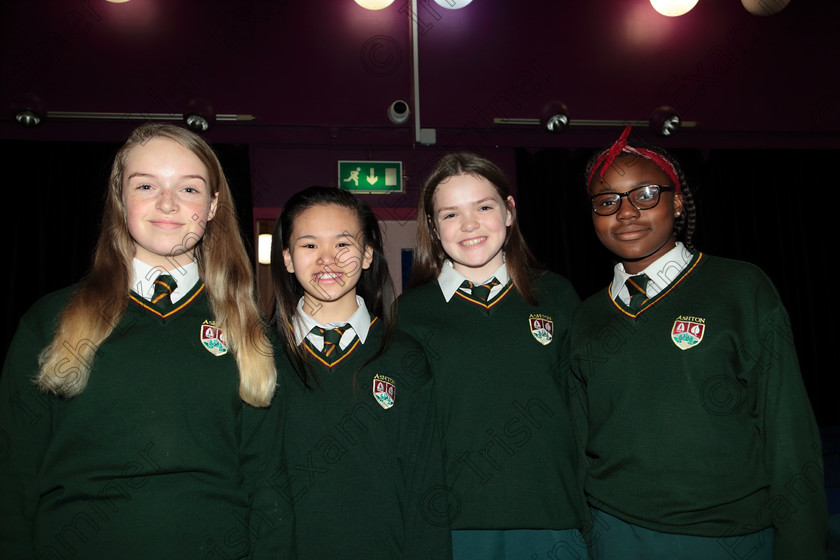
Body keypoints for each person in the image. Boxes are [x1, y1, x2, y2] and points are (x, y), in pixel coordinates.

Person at [0, 123, 277, 559]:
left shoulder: (249, 330)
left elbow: (268, 484)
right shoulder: (49, 319)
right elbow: (12, 478)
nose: (167, 203)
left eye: (188, 189)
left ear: (211, 206)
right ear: (120, 199)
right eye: (146, 185)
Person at [570, 125, 827, 559]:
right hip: (613, 532)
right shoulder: (587, 315)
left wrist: (801, 544)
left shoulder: (740, 287)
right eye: (607, 201)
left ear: (678, 200)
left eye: (645, 194)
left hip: (728, 537)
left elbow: (789, 430)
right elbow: (577, 441)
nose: (626, 212)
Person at [397, 153, 588, 560]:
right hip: (451, 526)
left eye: (484, 207)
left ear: (509, 211)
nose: (469, 225)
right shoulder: (409, 313)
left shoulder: (558, 296)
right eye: (450, 214)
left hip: (554, 517)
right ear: (433, 227)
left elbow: (585, 411)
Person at [263, 186, 450, 559]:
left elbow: (425, 482)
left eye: (343, 245)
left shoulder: (404, 356)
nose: (327, 260)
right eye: (309, 245)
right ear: (286, 258)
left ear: (367, 255)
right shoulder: (259, 354)